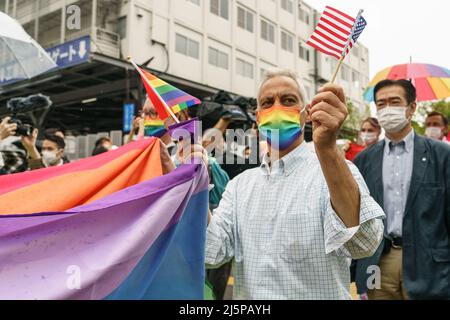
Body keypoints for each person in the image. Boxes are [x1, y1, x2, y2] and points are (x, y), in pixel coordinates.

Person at [192, 69, 385, 299]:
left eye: (288, 100)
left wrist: (328, 149)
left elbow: (364, 243)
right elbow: (212, 252)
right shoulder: (239, 186)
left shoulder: (335, 172)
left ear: (306, 114)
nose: (277, 108)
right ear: (258, 116)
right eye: (267, 103)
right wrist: (196, 187)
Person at [353, 79, 450, 300]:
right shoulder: (364, 160)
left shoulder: (441, 155)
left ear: (411, 107)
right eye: (381, 104)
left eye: (394, 102)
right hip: (376, 262)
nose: (387, 109)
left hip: (428, 262)